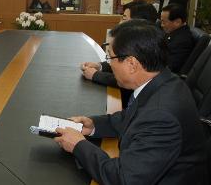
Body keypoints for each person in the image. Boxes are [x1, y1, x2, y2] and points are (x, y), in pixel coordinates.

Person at [54, 20, 208, 185]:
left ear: (132, 64)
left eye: (110, 57)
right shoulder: (165, 81)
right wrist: (93, 125)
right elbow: (132, 116)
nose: (109, 64)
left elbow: (124, 179)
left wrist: (78, 145)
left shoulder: (161, 116)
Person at [81, 1, 158, 88]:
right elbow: (121, 62)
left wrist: (95, 75)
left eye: (124, 19)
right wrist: (100, 66)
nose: (120, 23)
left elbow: (128, 78)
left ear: (138, 22)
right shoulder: (146, 38)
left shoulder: (146, 45)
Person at [161, 3, 194, 73]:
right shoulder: (173, 32)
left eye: (164, 22)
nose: (162, 25)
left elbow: (169, 66)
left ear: (177, 22)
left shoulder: (182, 41)